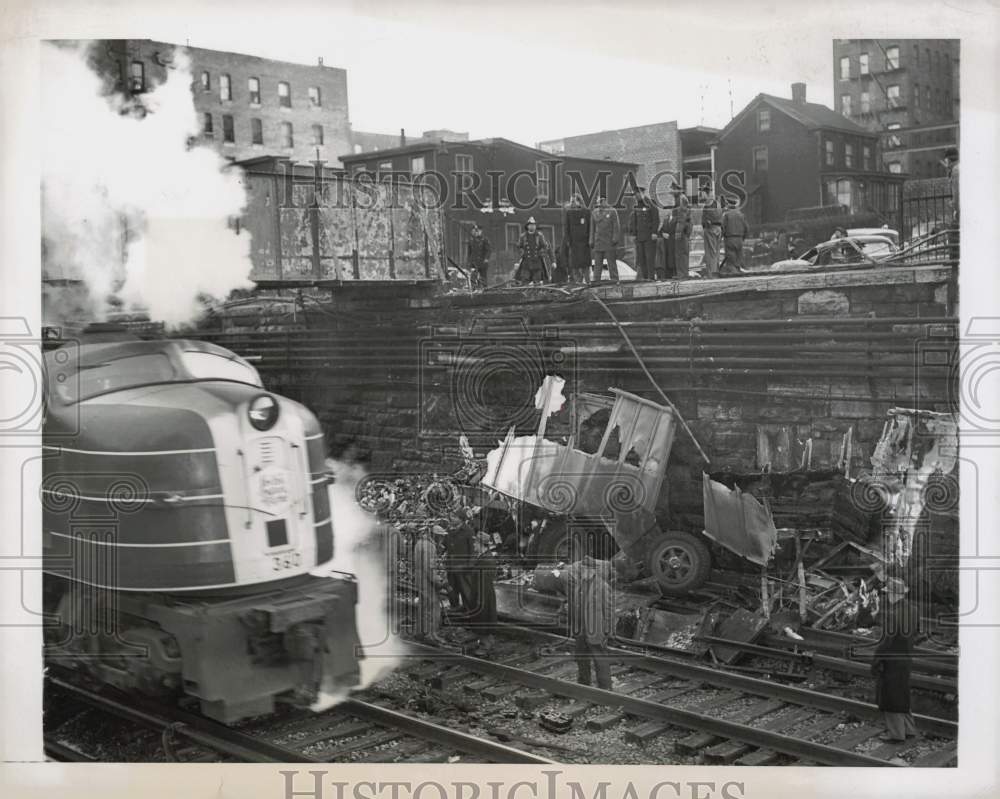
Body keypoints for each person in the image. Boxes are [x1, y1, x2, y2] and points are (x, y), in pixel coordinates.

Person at [870, 577, 920, 741]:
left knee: (890, 697)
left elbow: (886, 642)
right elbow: (917, 632)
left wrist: (876, 660)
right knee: (902, 694)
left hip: (891, 661)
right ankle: (910, 729)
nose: (887, 596)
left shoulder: (893, 614)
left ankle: (897, 735)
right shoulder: (913, 610)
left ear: (892, 594)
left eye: (888, 593)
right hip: (906, 659)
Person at [563, 556, 615, 690]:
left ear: (593, 570)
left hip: (595, 629)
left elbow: (609, 611)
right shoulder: (579, 584)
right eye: (582, 568)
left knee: (600, 659)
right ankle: (583, 684)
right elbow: (576, 604)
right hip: (580, 629)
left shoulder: (602, 586)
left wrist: (608, 630)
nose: (584, 571)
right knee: (581, 657)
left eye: (586, 569)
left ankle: (605, 689)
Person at [412, 526, 447, 643]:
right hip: (427, 581)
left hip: (419, 579)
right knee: (433, 607)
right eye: (441, 536)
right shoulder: (430, 547)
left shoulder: (419, 543)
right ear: (436, 535)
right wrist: (439, 581)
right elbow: (429, 569)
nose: (442, 539)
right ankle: (431, 635)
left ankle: (419, 632)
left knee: (423, 606)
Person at [445, 512, 477, 618]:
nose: (451, 518)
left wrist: (469, 566)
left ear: (461, 519)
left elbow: (472, 551)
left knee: (465, 590)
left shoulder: (468, 531)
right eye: (451, 516)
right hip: (451, 566)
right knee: (452, 589)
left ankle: (468, 611)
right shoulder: (449, 530)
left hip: (463, 567)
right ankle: (454, 608)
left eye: (454, 517)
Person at [627, 185, 660, 280]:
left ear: (642, 193)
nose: (636, 196)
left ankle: (651, 277)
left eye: (637, 194)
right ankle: (645, 278)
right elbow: (633, 221)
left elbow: (655, 218)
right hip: (639, 237)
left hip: (649, 236)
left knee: (649, 258)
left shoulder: (650, 204)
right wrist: (633, 234)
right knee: (641, 259)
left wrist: (654, 232)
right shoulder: (637, 206)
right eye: (635, 195)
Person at [589, 195, 621, 283]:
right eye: (599, 201)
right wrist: (591, 240)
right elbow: (592, 228)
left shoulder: (612, 211)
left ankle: (615, 281)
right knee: (597, 264)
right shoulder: (594, 213)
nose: (600, 203)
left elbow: (616, 226)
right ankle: (596, 281)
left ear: (605, 201)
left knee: (611, 263)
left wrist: (615, 238)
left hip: (609, 241)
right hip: (598, 241)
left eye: (602, 201)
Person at [563, 193, 592, 284]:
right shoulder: (569, 213)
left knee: (585, 265)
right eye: (571, 201)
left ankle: (588, 282)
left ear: (579, 201)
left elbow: (590, 227)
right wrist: (568, 241)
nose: (571, 203)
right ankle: (578, 283)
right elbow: (566, 228)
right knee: (575, 265)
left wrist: (590, 240)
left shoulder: (586, 212)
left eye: (573, 201)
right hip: (574, 244)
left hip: (585, 244)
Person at [514, 217, 551, 285]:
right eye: (531, 225)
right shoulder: (523, 236)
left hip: (537, 262)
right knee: (524, 280)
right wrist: (522, 252)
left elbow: (545, 246)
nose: (532, 226)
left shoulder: (539, 236)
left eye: (534, 225)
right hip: (526, 263)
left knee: (537, 281)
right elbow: (518, 246)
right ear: (527, 226)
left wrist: (541, 252)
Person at [720, 198, 749, 275]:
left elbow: (723, 227)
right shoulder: (741, 215)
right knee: (738, 258)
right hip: (739, 239)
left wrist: (721, 238)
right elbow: (746, 228)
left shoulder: (726, 215)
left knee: (731, 260)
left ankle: (734, 274)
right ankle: (739, 271)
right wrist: (743, 238)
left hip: (729, 239)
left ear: (728, 205)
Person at [670, 193, 693, 279]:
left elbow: (681, 221)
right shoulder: (686, 207)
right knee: (683, 254)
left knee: (680, 254)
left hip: (682, 234)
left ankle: (681, 274)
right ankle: (683, 273)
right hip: (685, 233)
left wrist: (678, 232)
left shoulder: (681, 207)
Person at [700, 195, 723, 278]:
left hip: (710, 229)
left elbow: (705, 219)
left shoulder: (708, 205)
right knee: (716, 252)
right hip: (718, 229)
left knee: (710, 252)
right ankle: (716, 271)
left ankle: (712, 273)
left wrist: (705, 224)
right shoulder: (718, 204)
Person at [466, 223, 492, 289]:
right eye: (475, 231)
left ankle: (484, 290)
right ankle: (473, 289)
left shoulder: (485, 240)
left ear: (481, 231)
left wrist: (486, 259)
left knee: (483, 278)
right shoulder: (471, 240)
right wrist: (469, 261)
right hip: (474, 263)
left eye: (478, 231)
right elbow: (469, 252)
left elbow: (488, 250)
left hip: (482, 262)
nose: (476, 232)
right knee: (473, 278)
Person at [657, 208, 676, 279]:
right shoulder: (665, 220)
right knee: (667, 259)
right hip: (666, 243)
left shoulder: (675, 219)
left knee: (672, 259)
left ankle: (673, 273)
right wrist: (662, 234)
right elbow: (660, 231)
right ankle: (668, 275)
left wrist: (670, 236)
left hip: (673, 243)